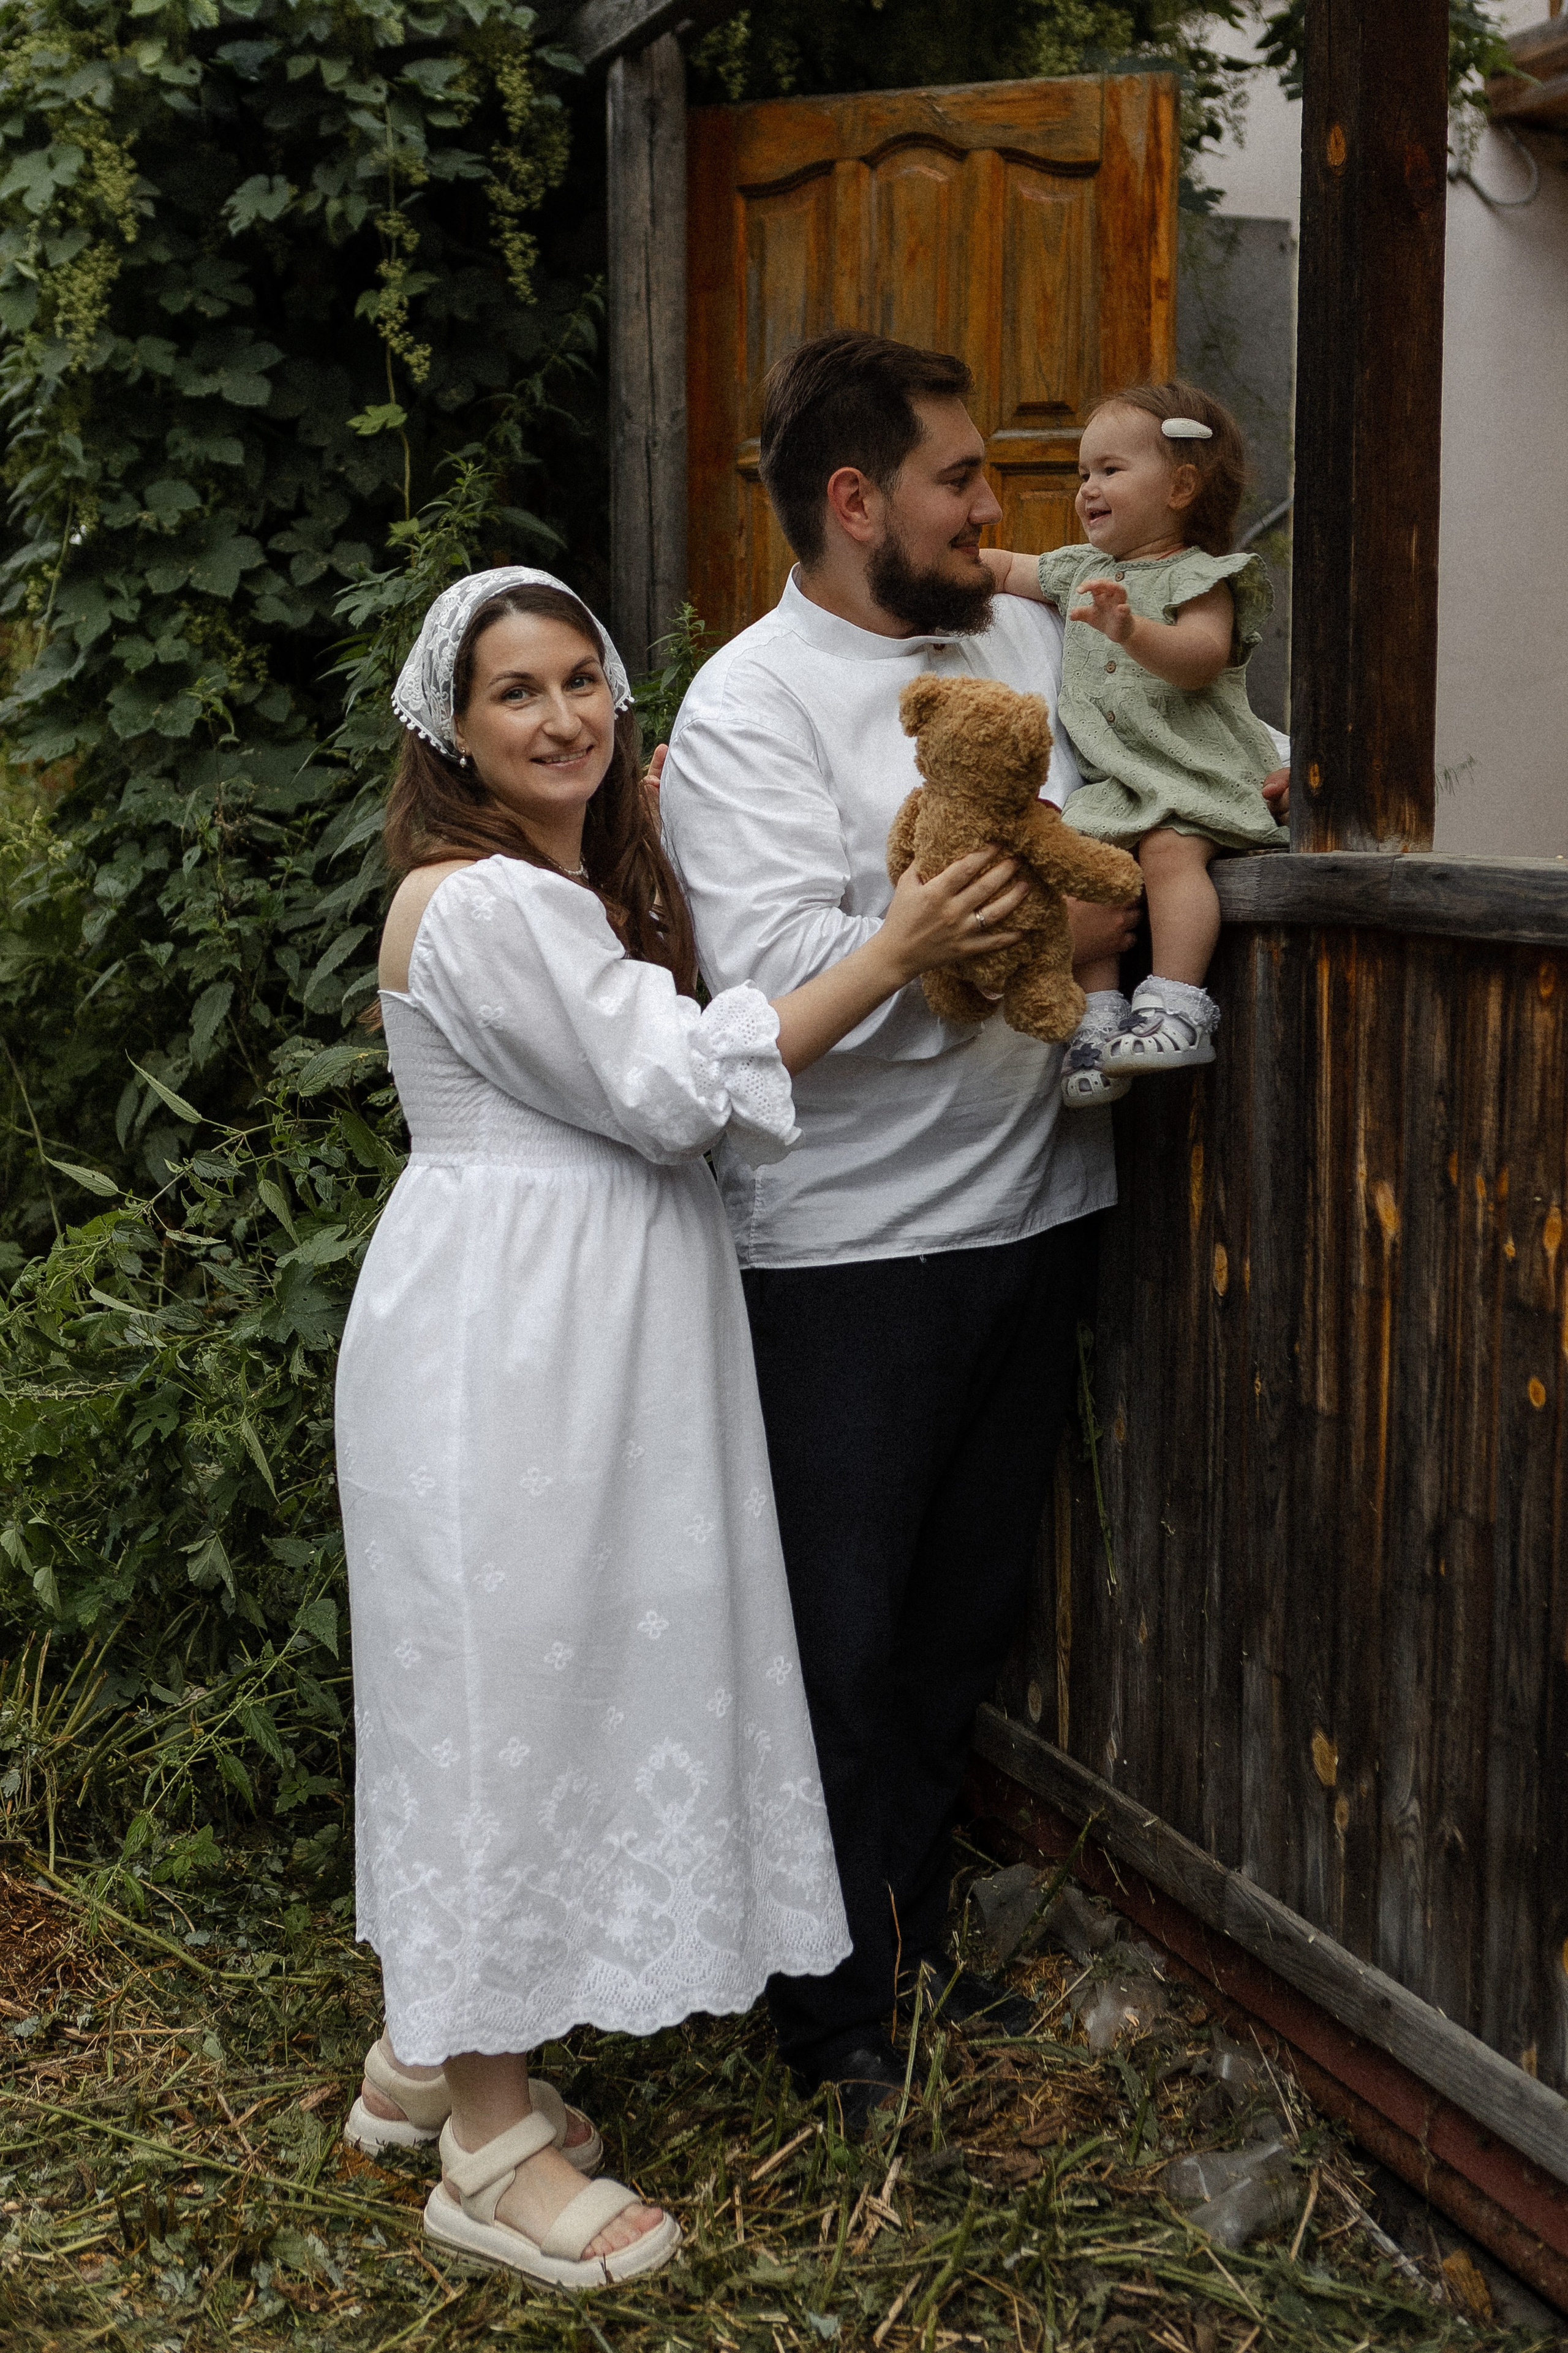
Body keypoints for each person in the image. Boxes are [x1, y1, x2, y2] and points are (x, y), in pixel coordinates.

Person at [334, 565, 1031, 2285]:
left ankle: (430, 2051)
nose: (563, 713)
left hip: (567, 1330)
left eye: (583, 678)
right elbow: (671, 1088)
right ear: (449, 730)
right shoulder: (484, 904)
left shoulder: (546, 890)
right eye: (517, 691)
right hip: (513, 1344)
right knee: (505, 1691)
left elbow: (643, 1049)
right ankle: (486, 2146)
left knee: (533, 1672)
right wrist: (896, 948)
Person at [658, 330, 1142, 2131]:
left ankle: (911, 1938)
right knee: (836, 1646)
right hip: (842, 1253)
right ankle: (827, 2014)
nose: (990, 508)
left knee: (958, 1624)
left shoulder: (1018, 640)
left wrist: (979, 926)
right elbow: (785, 978)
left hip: (1035, 1207)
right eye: (959, 477)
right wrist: (995, 932)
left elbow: (1126, 851)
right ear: (855, 500)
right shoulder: (750, 705)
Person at [982, 380, 1289, 1107]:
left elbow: (1201, 657)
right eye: (1083, 473)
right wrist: (956, 567)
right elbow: (1006, 567)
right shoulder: (1078, 571)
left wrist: (1132, 630)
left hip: (1193, 773)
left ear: (1181, 486)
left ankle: (1176, 1005)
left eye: (1110, 470)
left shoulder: (1200, 576)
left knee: (1169, 852)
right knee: (1086, 869)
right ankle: (1098, 1018)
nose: (1087, 488)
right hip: (1119, 785)